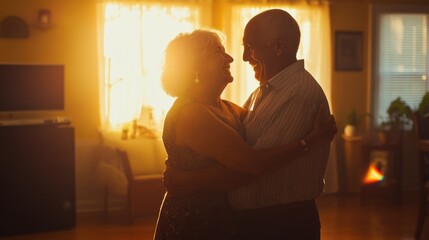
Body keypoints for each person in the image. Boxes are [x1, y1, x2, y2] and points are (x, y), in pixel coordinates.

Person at [162, 9, 332, 240]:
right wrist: (309, 141)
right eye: (218, 51)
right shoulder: (191, 114)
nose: (234, 58)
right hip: (196, 222)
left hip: (235, 220)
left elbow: (253, 163)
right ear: (195, 66)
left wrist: (187, 179)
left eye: (249, 47)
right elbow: (251, 163)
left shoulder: (232, 107)